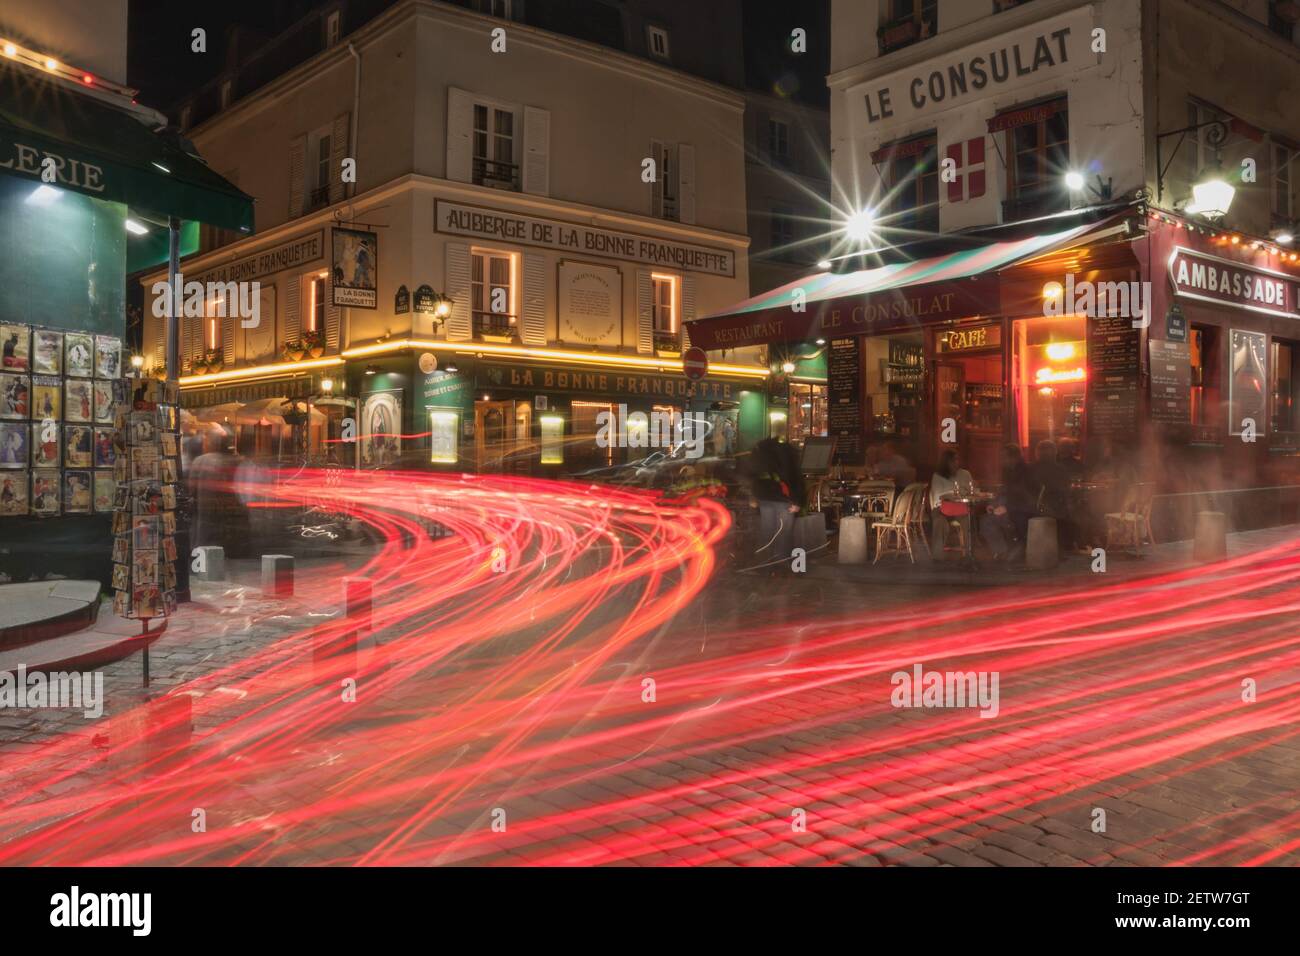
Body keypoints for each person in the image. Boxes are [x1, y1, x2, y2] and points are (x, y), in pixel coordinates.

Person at [743, 438, 801, 569]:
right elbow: (794, 478)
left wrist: (754, 496)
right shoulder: (786, 454)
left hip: (764, 497)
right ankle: (780, 563)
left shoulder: (759, 452)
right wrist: (796, 500)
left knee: (767, 531)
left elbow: (751, 475)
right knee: (783, 533)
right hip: (783, 499)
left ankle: (764, 563)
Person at [980, 444, 1035, 561]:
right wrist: (993, 504)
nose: (1001, 460)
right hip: (1012, 510)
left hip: (1022, 514)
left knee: (987, 522)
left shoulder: (1027, 473)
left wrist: (1007, 508)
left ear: (1013, 457)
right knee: (986, 521)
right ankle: (1002, 551)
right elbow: (1004, 492)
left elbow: (1029, 501)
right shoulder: (1009, 471)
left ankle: (1005, 552)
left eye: (1003, 457)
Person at [929, 449, 973, 559]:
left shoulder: (965, 474)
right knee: (939, 521)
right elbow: (939, 495)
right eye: (953, 460)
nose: (956, 462)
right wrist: (956, 492)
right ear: (946, 462)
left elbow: (971, 491)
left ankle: (968, 553)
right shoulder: (938, 476)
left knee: (967, 520)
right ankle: (937, 555)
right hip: (942, 508)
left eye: (957, 459)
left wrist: (957, 493)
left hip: (960, 508)